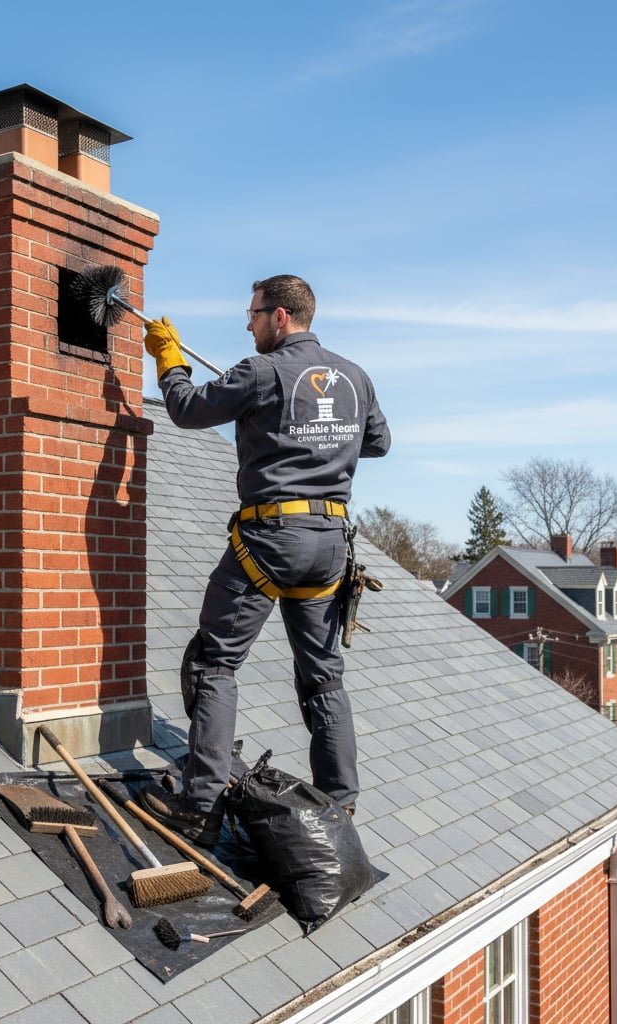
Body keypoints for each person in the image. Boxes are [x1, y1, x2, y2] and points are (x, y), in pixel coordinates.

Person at [138, 274, 391, 844]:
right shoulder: (354, 378)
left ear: (280, 316)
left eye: (253, 314)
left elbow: (186, 408)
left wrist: (170, 359)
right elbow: (377, 442)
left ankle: (200, 805)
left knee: (214, 663)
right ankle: (339, 810)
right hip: (329, 544)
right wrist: (320, 431)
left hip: (271, 538)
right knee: (323, 677)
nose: (247, 324)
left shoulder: (260, 373)